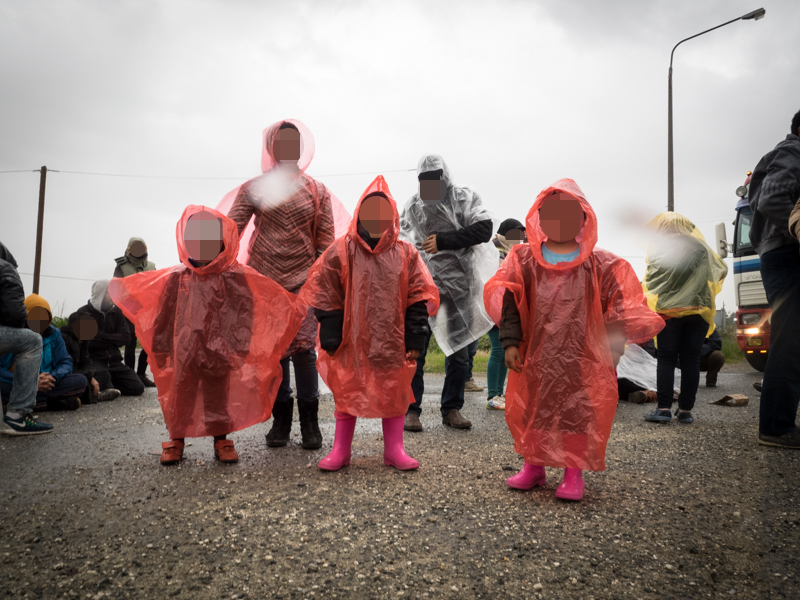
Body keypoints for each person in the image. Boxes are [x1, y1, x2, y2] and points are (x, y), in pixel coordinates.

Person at [484, 179, 664, 501]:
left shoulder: (600, 265)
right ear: (539, 217)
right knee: (535, 410)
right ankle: (534, 467)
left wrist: (612, 351)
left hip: (581, 357)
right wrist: (510, 342)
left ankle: (573, 471)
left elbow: (618, 309)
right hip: (536, 354)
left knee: (577, 412)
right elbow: (512, 301)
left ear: (584, 218)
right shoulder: (523, 259)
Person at [109, 206, 305, 465]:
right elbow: (165, 315)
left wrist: (240, 347)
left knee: (217, 398)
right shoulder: (177, 278)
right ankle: (176, 439)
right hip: (185, 352)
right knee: (181, 397)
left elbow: (245, 313)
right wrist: (162, 348)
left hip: (220, 352)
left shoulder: (234, 277)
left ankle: (221, 439)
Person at [218, 119, 350, 450]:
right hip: (263, 283)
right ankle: (281, 420)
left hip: (305, 284)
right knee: (274, 353)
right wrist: (213, 259)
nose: (288, 147)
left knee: (304, 351)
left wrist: (318, 280)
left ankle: (310, 423)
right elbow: (231, 229)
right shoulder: (254, 188)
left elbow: (326, 241)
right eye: (282, 142)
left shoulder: (317, 190)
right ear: (272, 147)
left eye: (295, 142)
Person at [299, 176, 439, 471]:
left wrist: (415, 338)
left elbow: (417, 296)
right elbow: (325, 291)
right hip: (351, 340)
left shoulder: (406, 253)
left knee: (394, 391)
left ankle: (394, 449)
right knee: (347, 390)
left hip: (392, 340)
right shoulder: (341, 250)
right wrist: (332, 332)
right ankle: (341, 450)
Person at [399, 154, 498, 431]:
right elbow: (400, 240)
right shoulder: (412, 207)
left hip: (459, 289)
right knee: (415, 351)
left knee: (459, 352)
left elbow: (485, 228)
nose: (431, 185)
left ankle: (452, 408)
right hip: (422, 291)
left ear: (445, 178)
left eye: (436, 179)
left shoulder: (464, 199)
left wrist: (444, 240)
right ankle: (411, 410)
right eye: (425, 181)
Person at [641, 213, 727, 425]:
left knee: (666, 359)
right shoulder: (701, 248)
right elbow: (721, 269)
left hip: (669, 313)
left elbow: (651, 283)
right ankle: (686, 410)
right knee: (691, 360)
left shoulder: (660, 250)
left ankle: (663, 409)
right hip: (698, 312)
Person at [748, 109, 800, 448]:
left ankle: (778, 420)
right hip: (787, 254)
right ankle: (776, 427)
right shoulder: (794, 151)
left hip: (780, 253)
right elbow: (771, 199)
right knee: (790, 339)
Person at [0, 242, 52, 435]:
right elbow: (14, 315)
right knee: (32, 341)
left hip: (44, 383)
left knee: (77, 381)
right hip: (13, 381)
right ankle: (18, 415)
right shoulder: (6, 268)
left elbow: (67, 362)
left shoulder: (54, 334)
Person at [1, 294, 86, 412]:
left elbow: (66, 362)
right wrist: (31, 382)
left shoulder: (54, 334)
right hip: (18, 384)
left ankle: (27, 404)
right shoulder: (14, 334)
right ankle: (49, 404)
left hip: (47, 384)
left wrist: (54, 376)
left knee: (80, 381)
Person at [75, 280, 145, 398]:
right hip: (95, 362)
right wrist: (113, 340)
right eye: (109, 292)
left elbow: (126, 338)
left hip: (115, 362)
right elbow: (89, 341)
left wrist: (99, 336)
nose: (112, 296)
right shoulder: (84, 313)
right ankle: (105, 386)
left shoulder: (117, 312)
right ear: (100, 293)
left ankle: (110, 385)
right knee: (104, 381)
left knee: (138, 387)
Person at [485, 218, 526, 410]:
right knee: (498, 350)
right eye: (515, 235)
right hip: (492, 308)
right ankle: (493, 395)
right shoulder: (492, 251)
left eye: (521, 236)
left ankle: (500, 393)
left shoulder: (513, 254)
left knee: (503, 353)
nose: (518, 239)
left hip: (506, 310)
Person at [113, 237, 156, 388]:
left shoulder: (151, 266)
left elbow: (155, 287)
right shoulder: (121, 267)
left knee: (148, 343)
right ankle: (131, 375)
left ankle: (141, 374)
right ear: (128, 249)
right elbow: (116, 289)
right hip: (128, 310)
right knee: (130, 343)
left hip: (146, 310)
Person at [60, 313, 121, 404]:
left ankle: (92, 393)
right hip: (65, 374)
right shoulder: (64, 339)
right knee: (81, 380)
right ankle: (96, 396)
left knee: (103, 374)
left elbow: (87, 361)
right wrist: (87, 377)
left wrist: (90, 376)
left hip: (79, 372)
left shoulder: (84, 340)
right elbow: (66, 367)